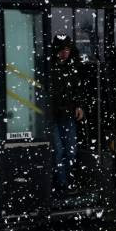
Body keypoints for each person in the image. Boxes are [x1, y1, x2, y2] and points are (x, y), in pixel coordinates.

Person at [49, 35, 85, 193]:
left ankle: (66, 182)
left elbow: (77, 88)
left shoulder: (72, 66)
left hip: (66, 113)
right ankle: (63, 183)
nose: (65, 53)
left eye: (67, 49)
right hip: (54, 115)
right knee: (59, 150)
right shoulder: (51, 66)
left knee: (69, 150)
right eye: (62, 49)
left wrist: (78, 105)